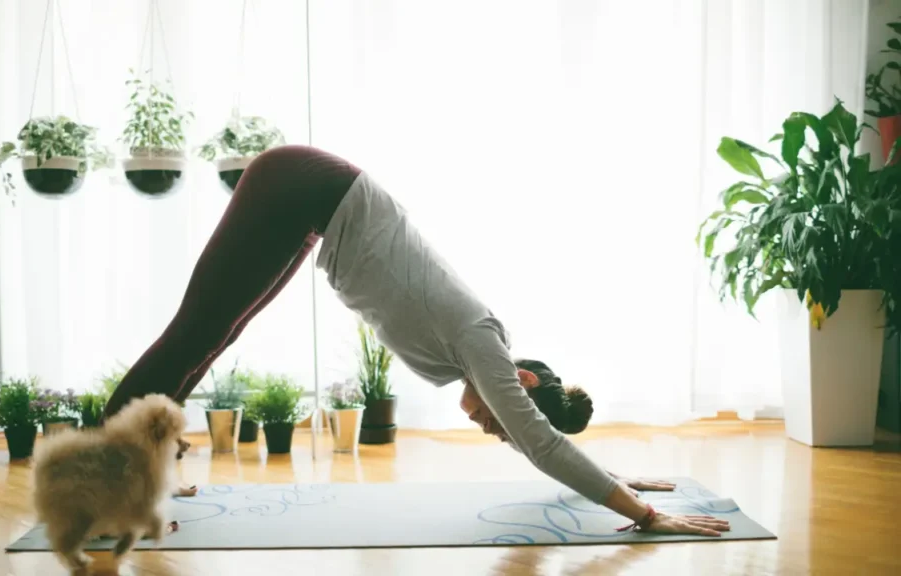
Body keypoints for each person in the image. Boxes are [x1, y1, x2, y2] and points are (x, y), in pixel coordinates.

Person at [102, 145, 730, 537]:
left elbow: (534, 438)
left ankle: (143, 469)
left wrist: (618, 478)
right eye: (498, 422)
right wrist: (645, 515)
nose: (487, 427)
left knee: (217, 334)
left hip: (314, 202)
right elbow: (539, 442)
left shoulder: (475, 352)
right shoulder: (481, 344)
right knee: (197, 331)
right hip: (304, 187)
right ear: (522, 382)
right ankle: (108, 484)